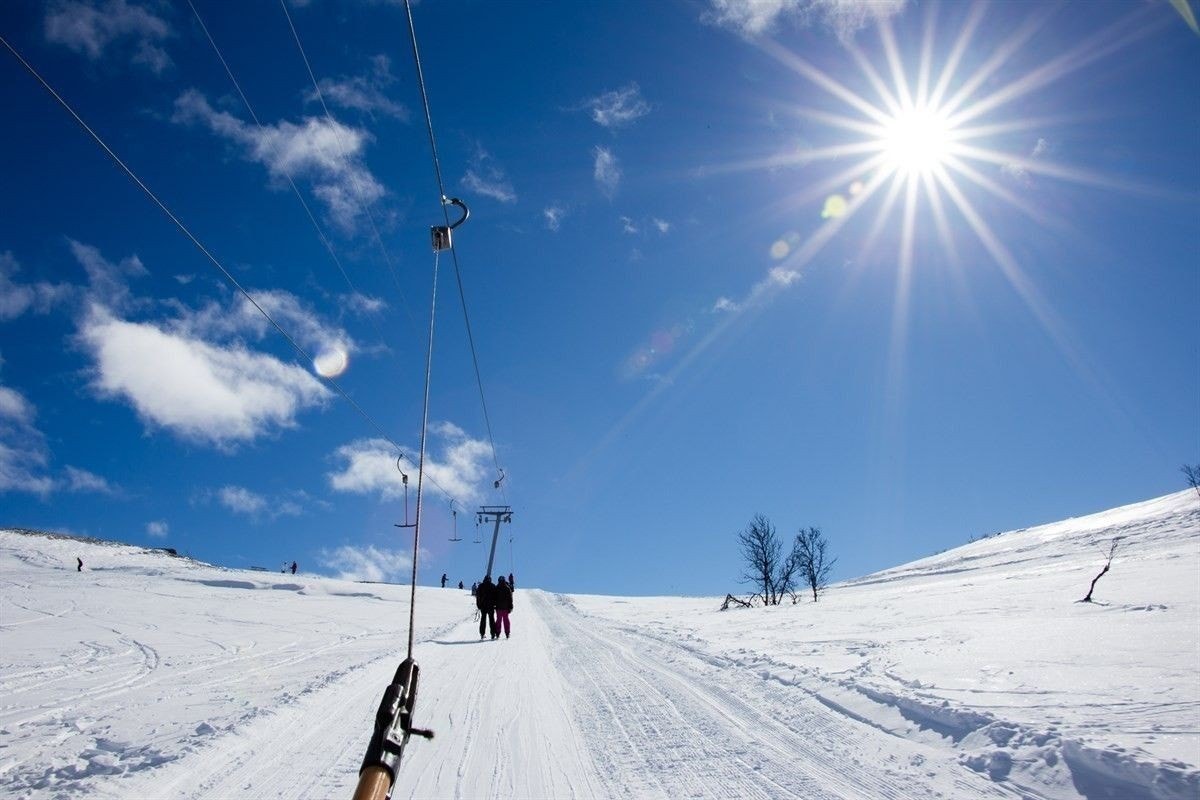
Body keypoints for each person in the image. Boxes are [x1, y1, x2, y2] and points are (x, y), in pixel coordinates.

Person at [475, 575, 497, 640]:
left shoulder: (481, 586)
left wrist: (478, 605)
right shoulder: (493, 586)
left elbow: (478, 596)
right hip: (491, 606)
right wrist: (495, 605)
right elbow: (496, 596)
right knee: (491, 620)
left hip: (483, 606)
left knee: (483, 619)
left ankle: (482, 634)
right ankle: (493, 634)